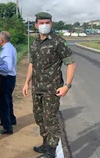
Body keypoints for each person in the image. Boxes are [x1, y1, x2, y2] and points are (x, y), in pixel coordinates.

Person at [22, 12, 76, 158]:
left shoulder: (58, 41)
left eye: (47, 22)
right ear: (36, 25)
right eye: (41, 23)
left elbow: (70, 63)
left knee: (50, 119)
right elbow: (31, 65)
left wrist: (67, 85)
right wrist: (26, 82)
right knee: (39, 118)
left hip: (51, 89)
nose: (44, 25)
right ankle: (46, 145)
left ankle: (51, 152)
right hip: (37, 88)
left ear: (51, 24)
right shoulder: (34, 43)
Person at [0, 31, 17, 134]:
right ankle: (11, 120)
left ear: (2, 40)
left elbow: (7, 67)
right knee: (8, 100)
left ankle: (7, 126)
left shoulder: (7, 50)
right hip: (10, 78)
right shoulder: (9, 48)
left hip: (7, 78)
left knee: (3, 102)